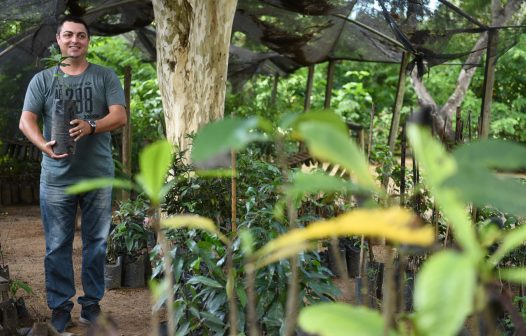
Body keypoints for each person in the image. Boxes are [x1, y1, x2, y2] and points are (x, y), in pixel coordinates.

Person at [19, 16, 127, 332]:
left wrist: (92, 126)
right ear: (58, 40)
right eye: (68, 35)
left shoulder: (105, 77)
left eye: (81, 35)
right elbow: (27, 121)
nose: (74, 40)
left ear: (88, 41)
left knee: (96, 242)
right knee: (56, 244)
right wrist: (44, 146)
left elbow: (119, 116)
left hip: (97, 174)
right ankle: (60, 307)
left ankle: (91, 306)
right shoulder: (43, 80)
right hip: (56, 176)